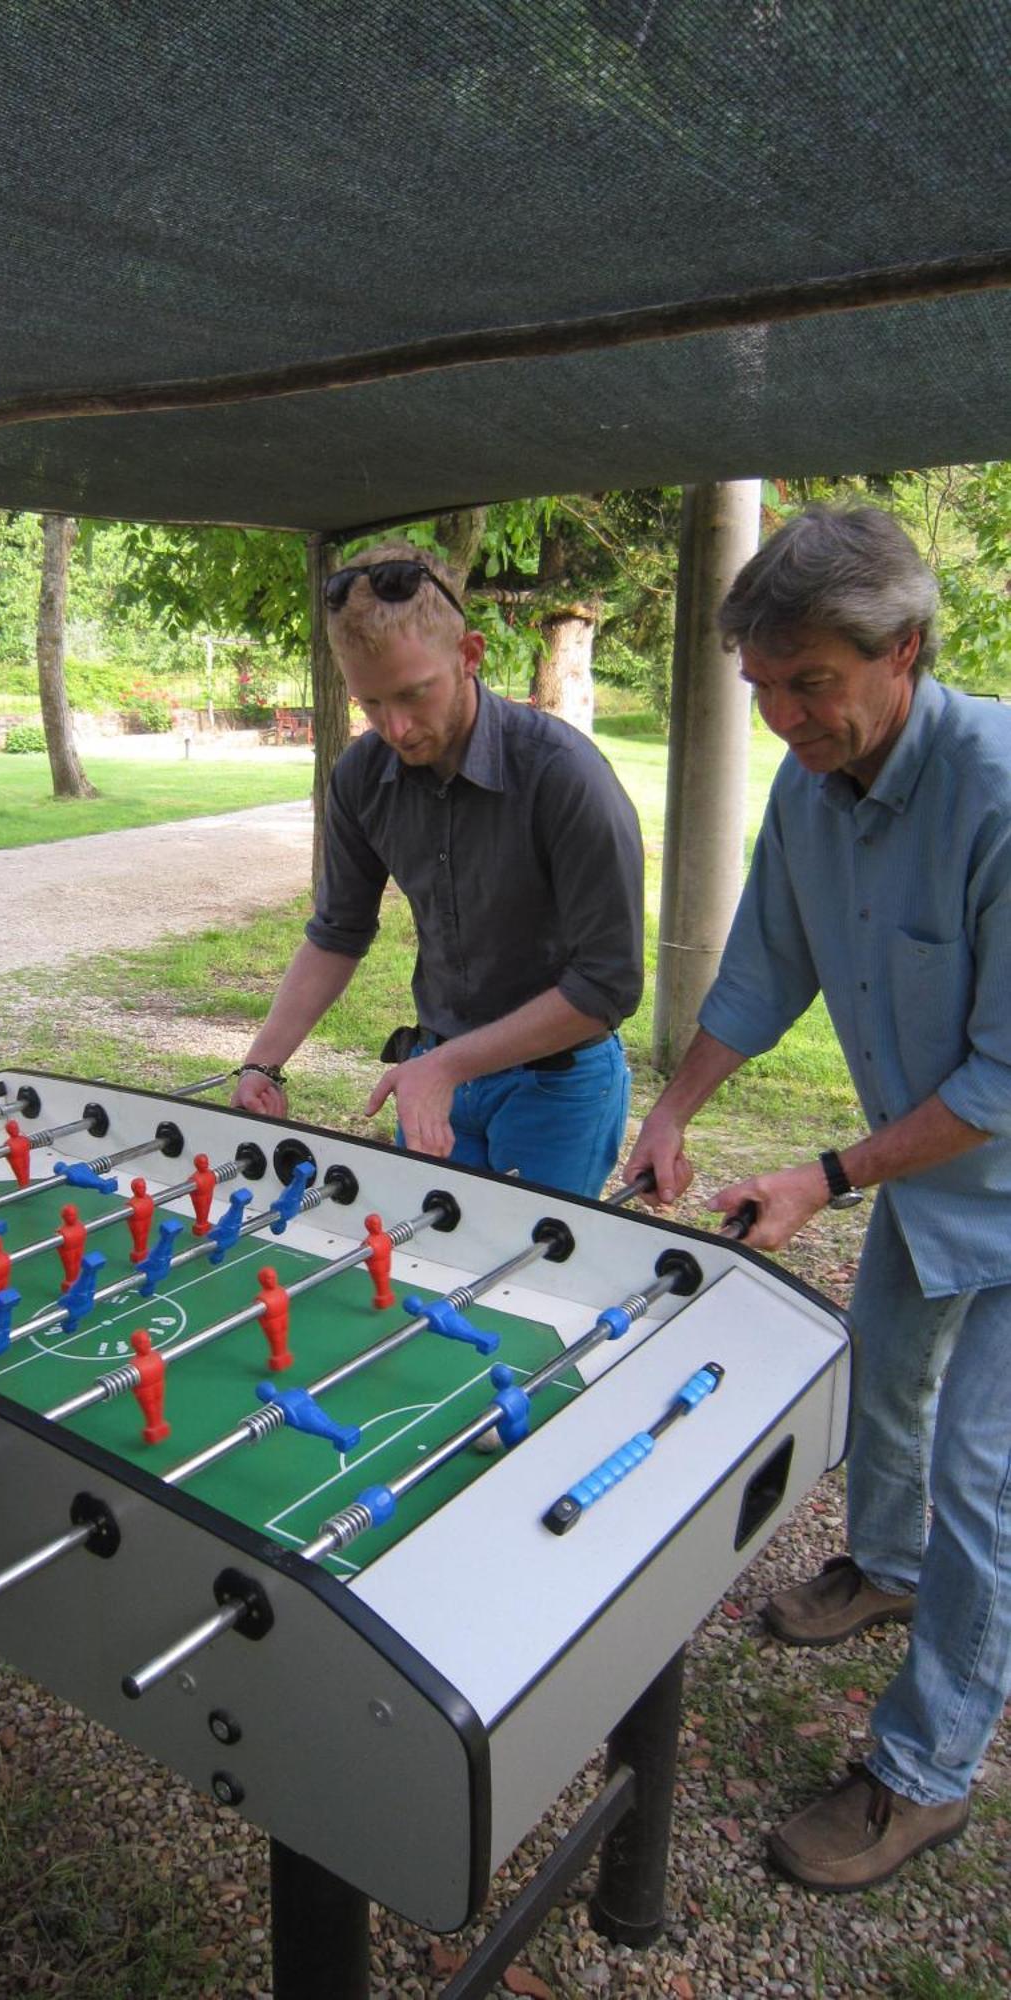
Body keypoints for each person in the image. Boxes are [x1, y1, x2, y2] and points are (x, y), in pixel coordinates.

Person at [626, 504, 1011, 1892]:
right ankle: (890, 1567)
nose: (787, 718)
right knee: (886, 1369)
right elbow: (766, 969)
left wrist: (824, 1176)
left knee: (987, 1472)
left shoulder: (1003, 793)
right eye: (765, 690)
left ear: (904, 652)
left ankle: (926, 1772)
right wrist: (669, 1111)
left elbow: (1001, 1082)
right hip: (944, 1171)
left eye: (813, 684)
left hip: (991, 1147)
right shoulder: (813, 783)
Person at [233, 544, 643, 1198]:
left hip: (557, 1084)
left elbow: (608, 987)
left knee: (529, 1287)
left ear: (470, 655)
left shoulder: (563, 776)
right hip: (436, 1069)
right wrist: (264, 1064)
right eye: (370, 704)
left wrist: (445, 1067)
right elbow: (337, 932)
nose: (395, 727)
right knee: (419, 1269)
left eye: (413, 694)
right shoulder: (362, 775)